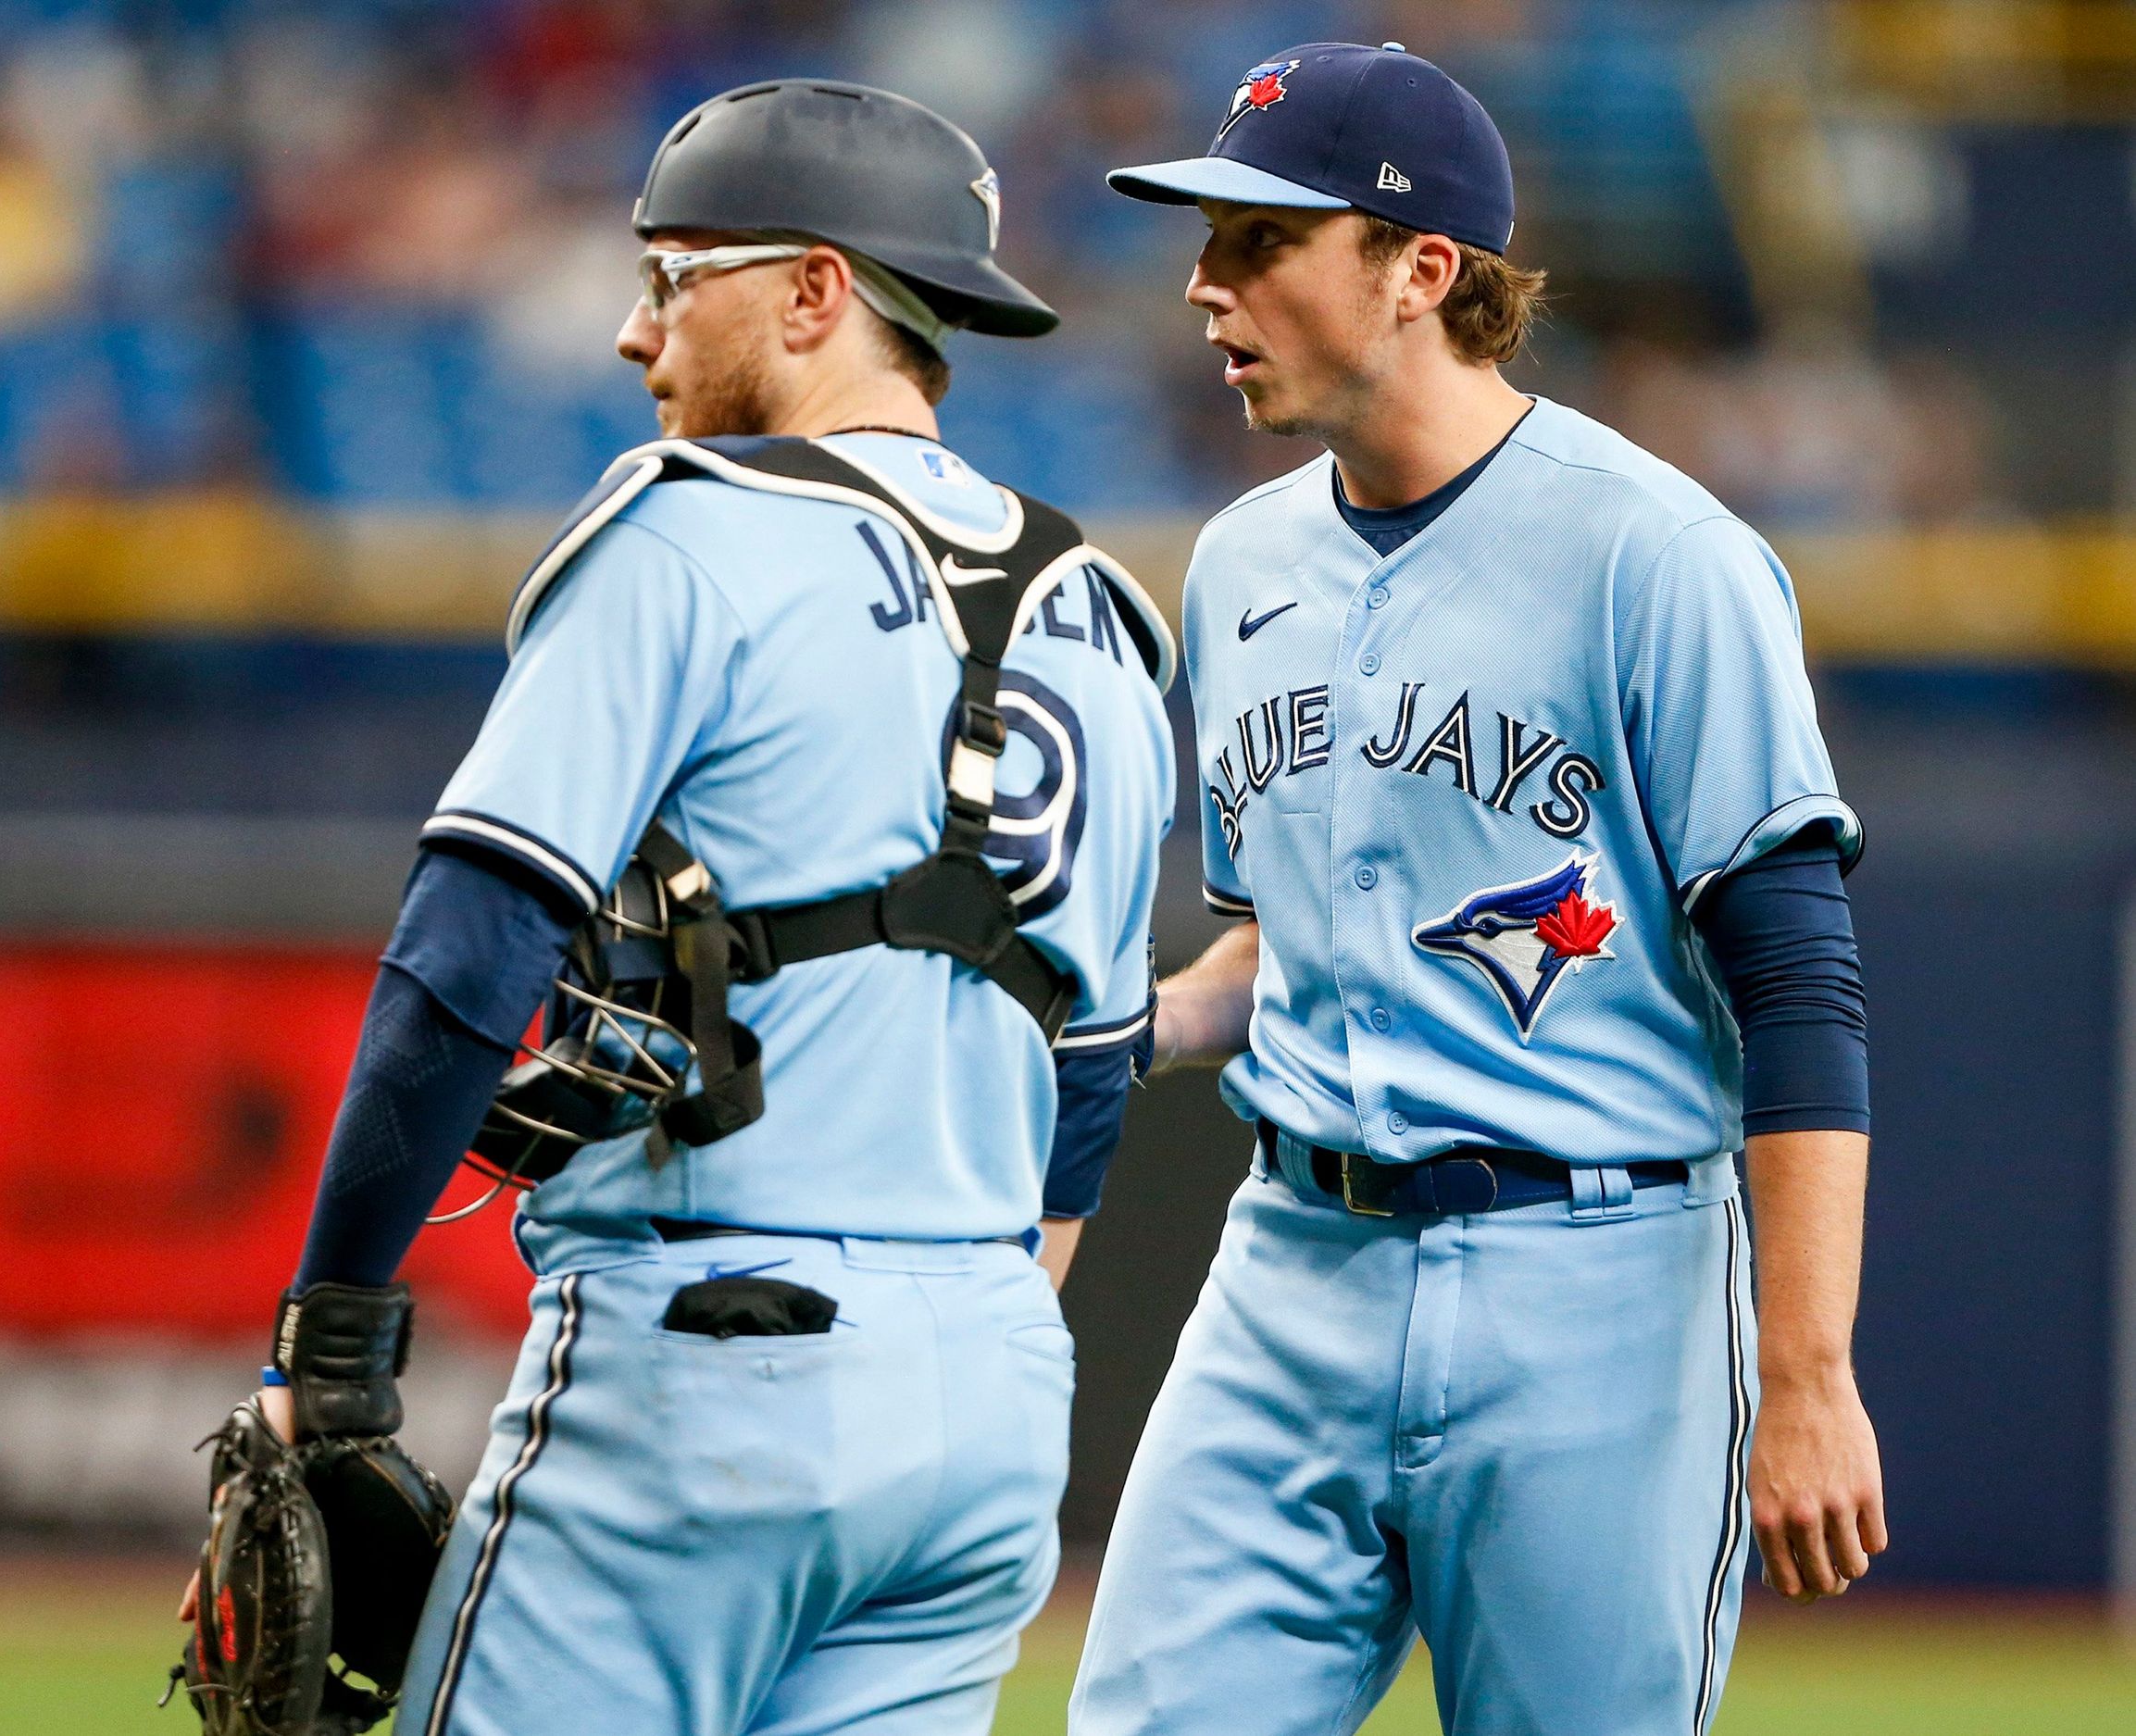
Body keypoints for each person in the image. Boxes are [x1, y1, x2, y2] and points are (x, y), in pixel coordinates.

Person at [183, 80, 1176, 1736]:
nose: (640, 336)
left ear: (815, 293)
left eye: (676, 277)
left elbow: (463, 961)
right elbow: (1089, 1083)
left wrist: (333, 1349)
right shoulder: (1111, 615)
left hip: (717, 1364)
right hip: (996, 1411)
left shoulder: (685, 533)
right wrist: (962, 1333)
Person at [1069, 42, 1884, 1736]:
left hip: (1597, 1281)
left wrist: (1805, 1373)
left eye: (1257, 243)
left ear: (1421, 268)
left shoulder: (1659, 555)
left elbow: (1797, 981)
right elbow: (1276, 944)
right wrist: (1117, 1032)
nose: (1203, 286)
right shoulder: (1238, 565)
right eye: (1208, 242)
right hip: (1293, 1263)